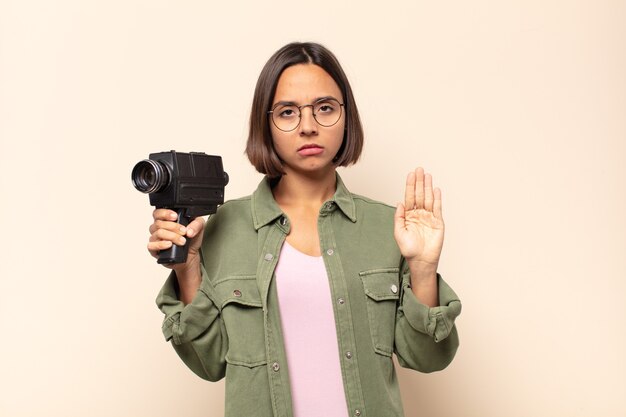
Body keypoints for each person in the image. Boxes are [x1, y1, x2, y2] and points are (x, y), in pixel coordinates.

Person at [148, 42, 461, 417]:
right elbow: (208, 362)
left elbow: (427, 358)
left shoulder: (388, 228)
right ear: (266, 124)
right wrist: (189, 266)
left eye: (325, 108)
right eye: (287, 112)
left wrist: (423, 270)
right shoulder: (223, 227)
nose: (309, 126)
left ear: (347, 117)